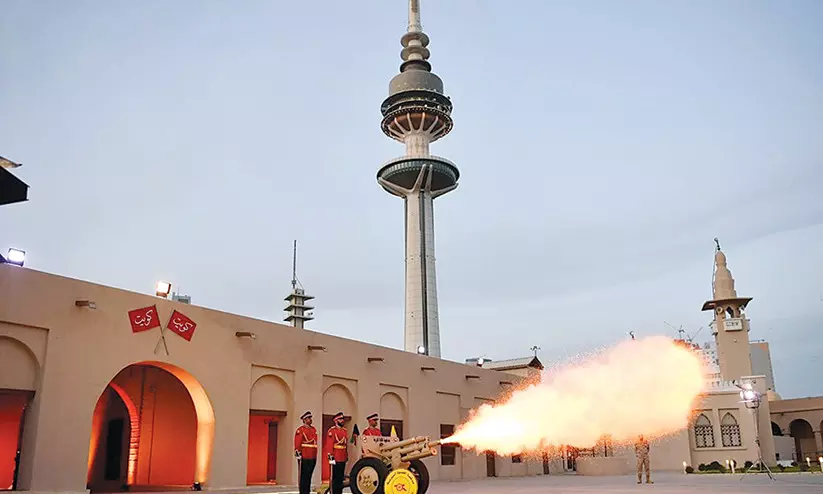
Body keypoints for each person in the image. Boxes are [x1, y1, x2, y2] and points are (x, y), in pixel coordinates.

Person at [294, 411, 317, 494]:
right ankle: (303, 492)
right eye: (308, 418)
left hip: (312, 456)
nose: (310, 420)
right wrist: (298, 453)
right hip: (305, 455)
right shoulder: (300, 430)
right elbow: (297, 443)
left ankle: (307, 491)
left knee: (309, 475)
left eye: (310, 418)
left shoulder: (313, 429)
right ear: (304, 420)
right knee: (304, 476)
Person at [325, 412, 349, 494]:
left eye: (343, 419)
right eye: (340, 419)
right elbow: (329, 444)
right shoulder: (332, 431)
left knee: (340, 478)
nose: (342, 421)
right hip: (335, 456)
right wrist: (330, 455)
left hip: (342, 457)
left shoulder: (344, 431)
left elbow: (345, 445)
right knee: (334, 478)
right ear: (336, 420)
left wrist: (346, 455)